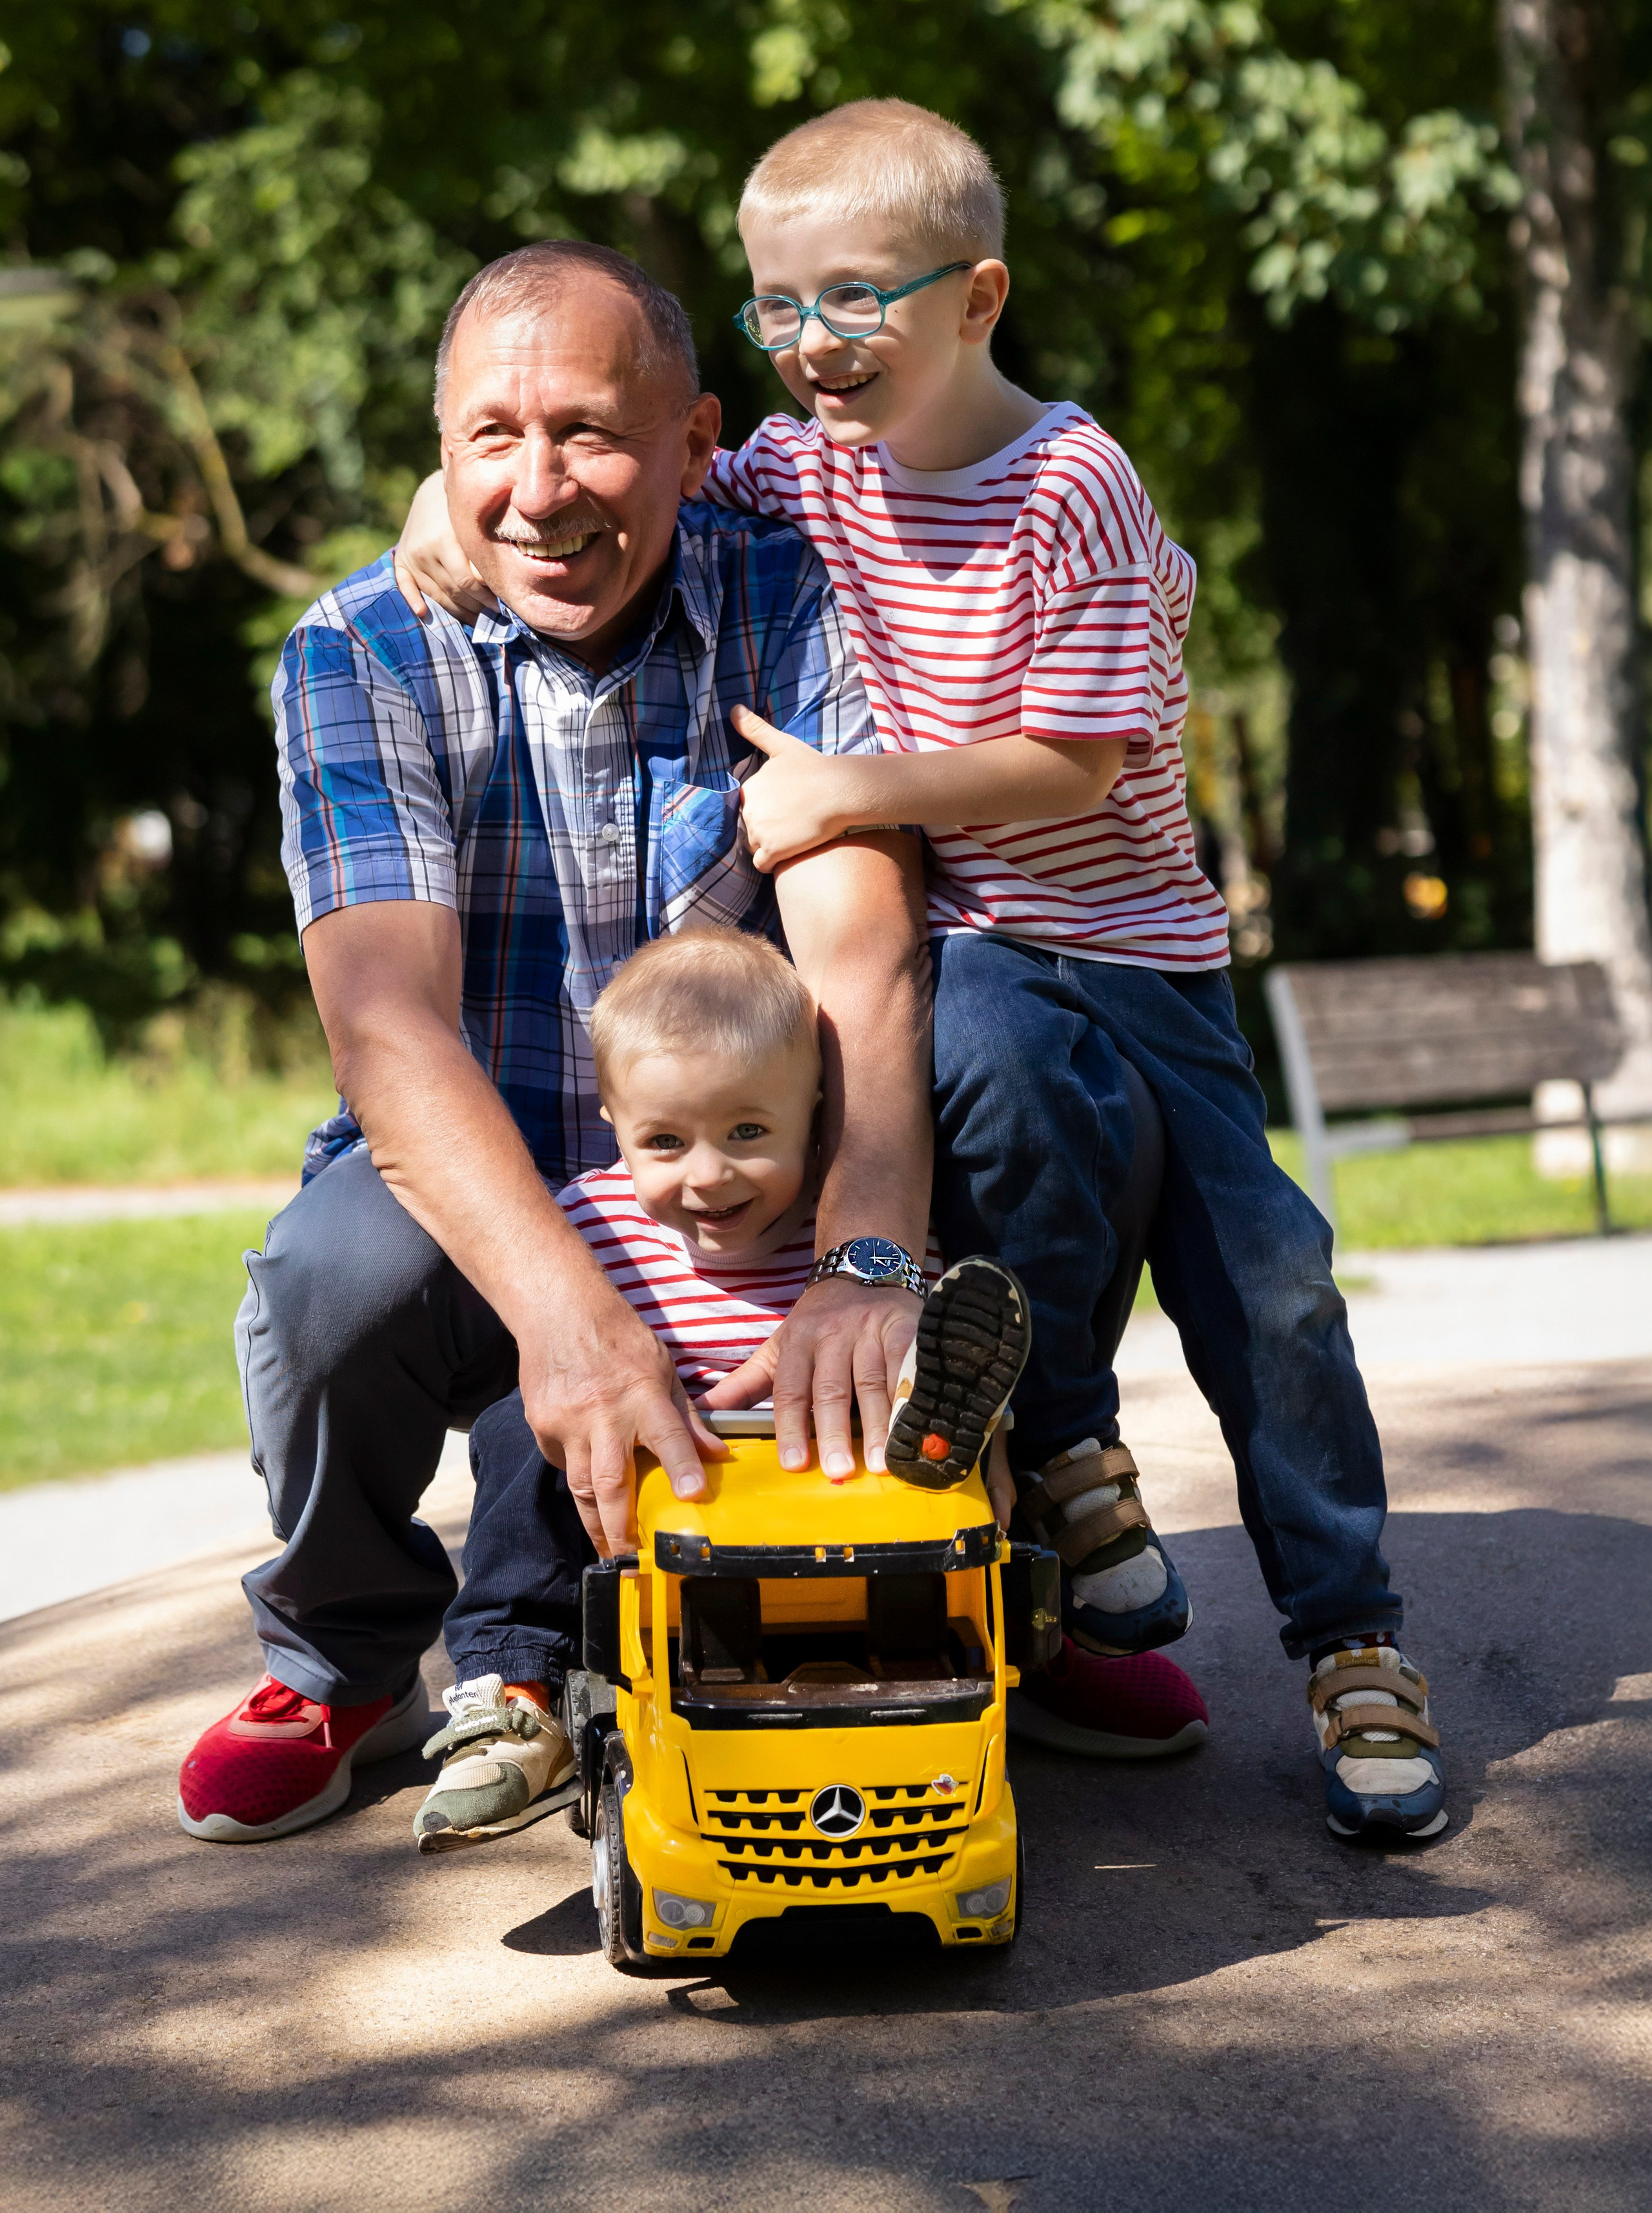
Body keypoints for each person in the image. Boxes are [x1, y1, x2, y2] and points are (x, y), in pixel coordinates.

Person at [397, 102, 1446, 1842]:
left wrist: (846, 790)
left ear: (981, 298)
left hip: (1139, 961)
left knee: (1270, 1284)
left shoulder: (1072, 482)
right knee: (984, 1072)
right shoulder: (810, 462)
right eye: (780, 305)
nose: (817, 344)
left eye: (859, 299)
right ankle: (1075, 1460)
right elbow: (612, 467)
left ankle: (1351, 1645)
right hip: (977, 955)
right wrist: (451, 501)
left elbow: (1077, 763)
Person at [176, 242, 940, 1845]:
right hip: (480, 1178)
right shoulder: (358, 646)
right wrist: (578, 1318)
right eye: (490, 439)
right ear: (439, 450)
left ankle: (1001, 1605)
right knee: (328, 1280)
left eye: (589, 432)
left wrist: (864, 1261)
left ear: (693, 440)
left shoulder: (794, 596)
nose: (536, 492)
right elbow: (386, 1032)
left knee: (995, 1076)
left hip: (755, 1168)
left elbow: (863, 962)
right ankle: (351, 1654)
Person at [416, 926, 1174, 1851]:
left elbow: (893, 1319)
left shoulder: (854, 1236)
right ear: (612, 1121)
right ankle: (516, 1688)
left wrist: (937, 1386)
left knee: (930, 1409)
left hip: (832, 1475)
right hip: (669, 1482)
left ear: (814, 1110)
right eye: (665, 1140)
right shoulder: (590, 1223)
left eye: (747, 1132)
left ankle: (1004, 1617)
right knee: (513, 1434)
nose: (707, 1175)